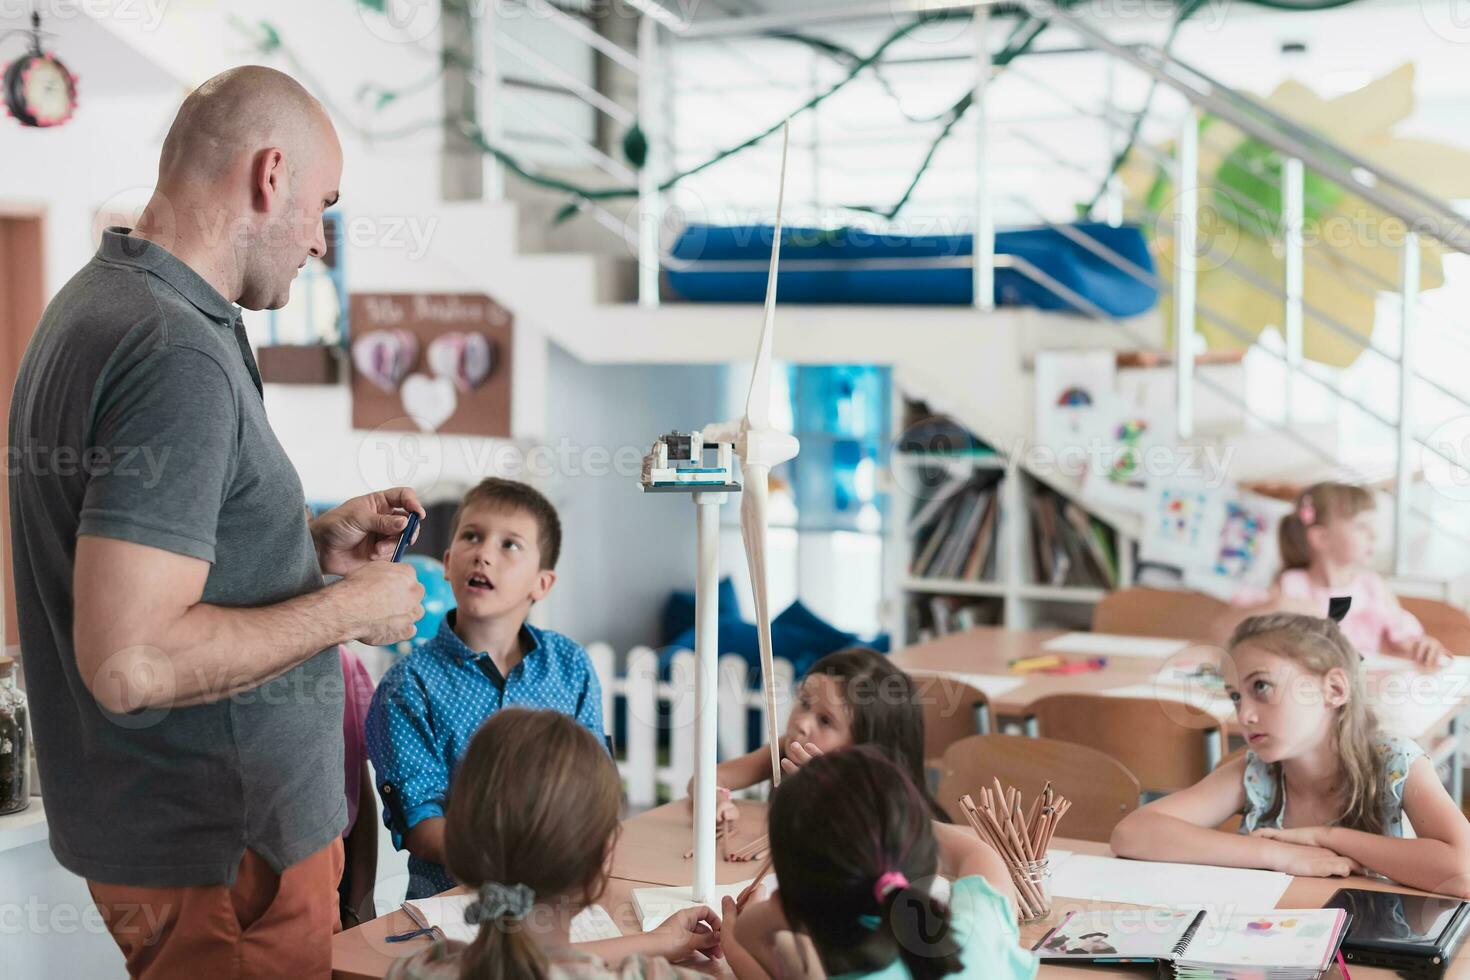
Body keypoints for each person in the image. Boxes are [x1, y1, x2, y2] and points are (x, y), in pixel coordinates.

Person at [8, 66, 425, 979]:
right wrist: (351, 611)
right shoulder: (172, 350)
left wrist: (307, 549)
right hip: (226, 863)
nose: (321, 240)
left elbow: (152, 553)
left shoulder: (105, 302)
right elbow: (132, 660)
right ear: (269, 176)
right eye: (323, 206)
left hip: (196, 849)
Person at [1112, 613, 1470, 898]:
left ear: (1333, 689)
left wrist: (1327, 838)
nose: (1245, 714)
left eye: (1261, 687)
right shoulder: (1256, 772)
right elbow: (1133, 833)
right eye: (1236, 697)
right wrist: (1278, 854)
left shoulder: (1395, 761)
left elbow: (1463, 872)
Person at [384, 708, 757, 978]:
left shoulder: (418, 968)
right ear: (605, 855)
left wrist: (659, 940)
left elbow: (534, 961)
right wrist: (745, 952)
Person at [367, 479, 605, 898]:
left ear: (542, 584)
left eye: (509, 545)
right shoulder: (407, 686)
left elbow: (596, 793)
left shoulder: (570, 667)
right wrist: (522, 864)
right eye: (472, 536)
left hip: (560, 903)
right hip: (452, 914)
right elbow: (421, 826)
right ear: (446, 562)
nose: (483, 554)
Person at [700, 648, 1013, 904]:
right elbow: (707, 778)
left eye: (825, 720)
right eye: (804, 702)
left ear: (867, 750)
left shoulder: (895, 816)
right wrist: (715, 797)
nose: (802, 723)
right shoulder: (787, 748)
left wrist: (845, 798)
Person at [730, 746, 1037, 980]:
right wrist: (871, 808)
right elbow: (977, 853)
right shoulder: (981, 922)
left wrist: (731, 933)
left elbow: (745, 938)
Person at [1221, 483, 1448, 664]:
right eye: (1361, 526)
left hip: (1366, 697)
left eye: (1372, 525)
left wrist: (1421, 645)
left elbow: (1404, 638)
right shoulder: (1292, 586)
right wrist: (1278, 606)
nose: (1373, 534)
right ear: (1321, 538)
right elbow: (1226, 630)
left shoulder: (1371, 586)